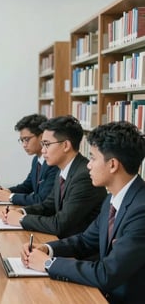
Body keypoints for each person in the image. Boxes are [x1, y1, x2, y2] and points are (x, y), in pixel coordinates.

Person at [21, 121, 145, 304]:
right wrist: (48, 249)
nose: (88, 165)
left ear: (112, 165)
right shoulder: (113, 198)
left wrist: (48, 264)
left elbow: (106, 273)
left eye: (93, 158)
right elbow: (86, 240)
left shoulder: (141, 211)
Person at [2, 115, 107, 238]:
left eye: (47, 144)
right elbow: (48, 205)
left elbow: (60, 224)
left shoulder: (84, 176)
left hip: (79, 249)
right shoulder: (63, 169)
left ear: (66, 145)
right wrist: (22, 211)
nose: (43, 150)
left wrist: (22, 219)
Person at [0, 114, 58, 205]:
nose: (24, 145)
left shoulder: (53, 163)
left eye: (27, 139)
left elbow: (41, 200)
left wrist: (9, 197)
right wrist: (6, 191)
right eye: (22, 140)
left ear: (42, 137)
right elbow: (27, 186)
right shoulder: (36, 160)